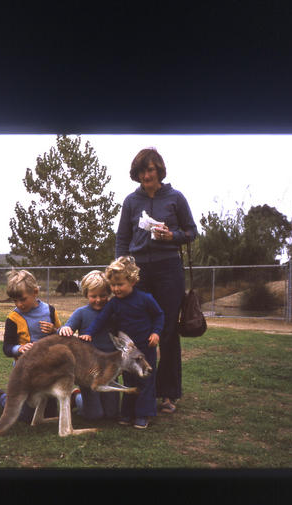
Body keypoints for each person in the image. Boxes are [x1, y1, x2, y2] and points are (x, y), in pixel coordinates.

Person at [115, 147, 198, 413]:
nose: (146, 175)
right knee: (139, 330)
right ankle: (141, 390)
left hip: (168, 269)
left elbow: (191, 232)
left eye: (150, 169)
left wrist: (171, 236)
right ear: (136, 174)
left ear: (159, 170)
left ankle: (168, 394)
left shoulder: (176, 197)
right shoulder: (131, 201)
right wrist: (121, 268)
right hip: (139, 272)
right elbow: (122, 239)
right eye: (141, 171)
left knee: (168, 332)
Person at [80, 256, 164, 429]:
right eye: (113, 285)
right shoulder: (114, 304)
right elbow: (101, 320)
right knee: (129, 380)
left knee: (145, 380)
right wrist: (88, 333)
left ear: (132, 281)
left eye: (120, 284)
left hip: (146, 348)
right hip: (126, 351)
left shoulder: (145, 298)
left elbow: (159, 315)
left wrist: (156, 333)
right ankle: (127, 413)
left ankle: (142, 414)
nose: (116, 289)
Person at [0, 269, 61, 420]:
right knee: (26, 417)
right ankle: (0, 398)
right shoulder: (13, 318)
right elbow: (7, 348)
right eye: (15, 300)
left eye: (22, 299)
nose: (19, 304)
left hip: (49, 370)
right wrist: (19, 349)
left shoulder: (50, 311)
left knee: (50, 415)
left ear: (35, 292)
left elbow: (61, 338)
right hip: (25, 373)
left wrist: (54, 330)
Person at [58, 270, 119, 420]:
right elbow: (66, 328)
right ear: (86, 295)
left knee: (112, 414)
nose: (98, 300)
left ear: (109, 293)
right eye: (93, 296)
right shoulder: (81, 313)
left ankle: (102, 403)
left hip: (110, 367)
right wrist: (64, 328)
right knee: (94, 416)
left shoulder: (114, 312)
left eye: (103, 295)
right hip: (88, 370)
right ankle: (78, 398)